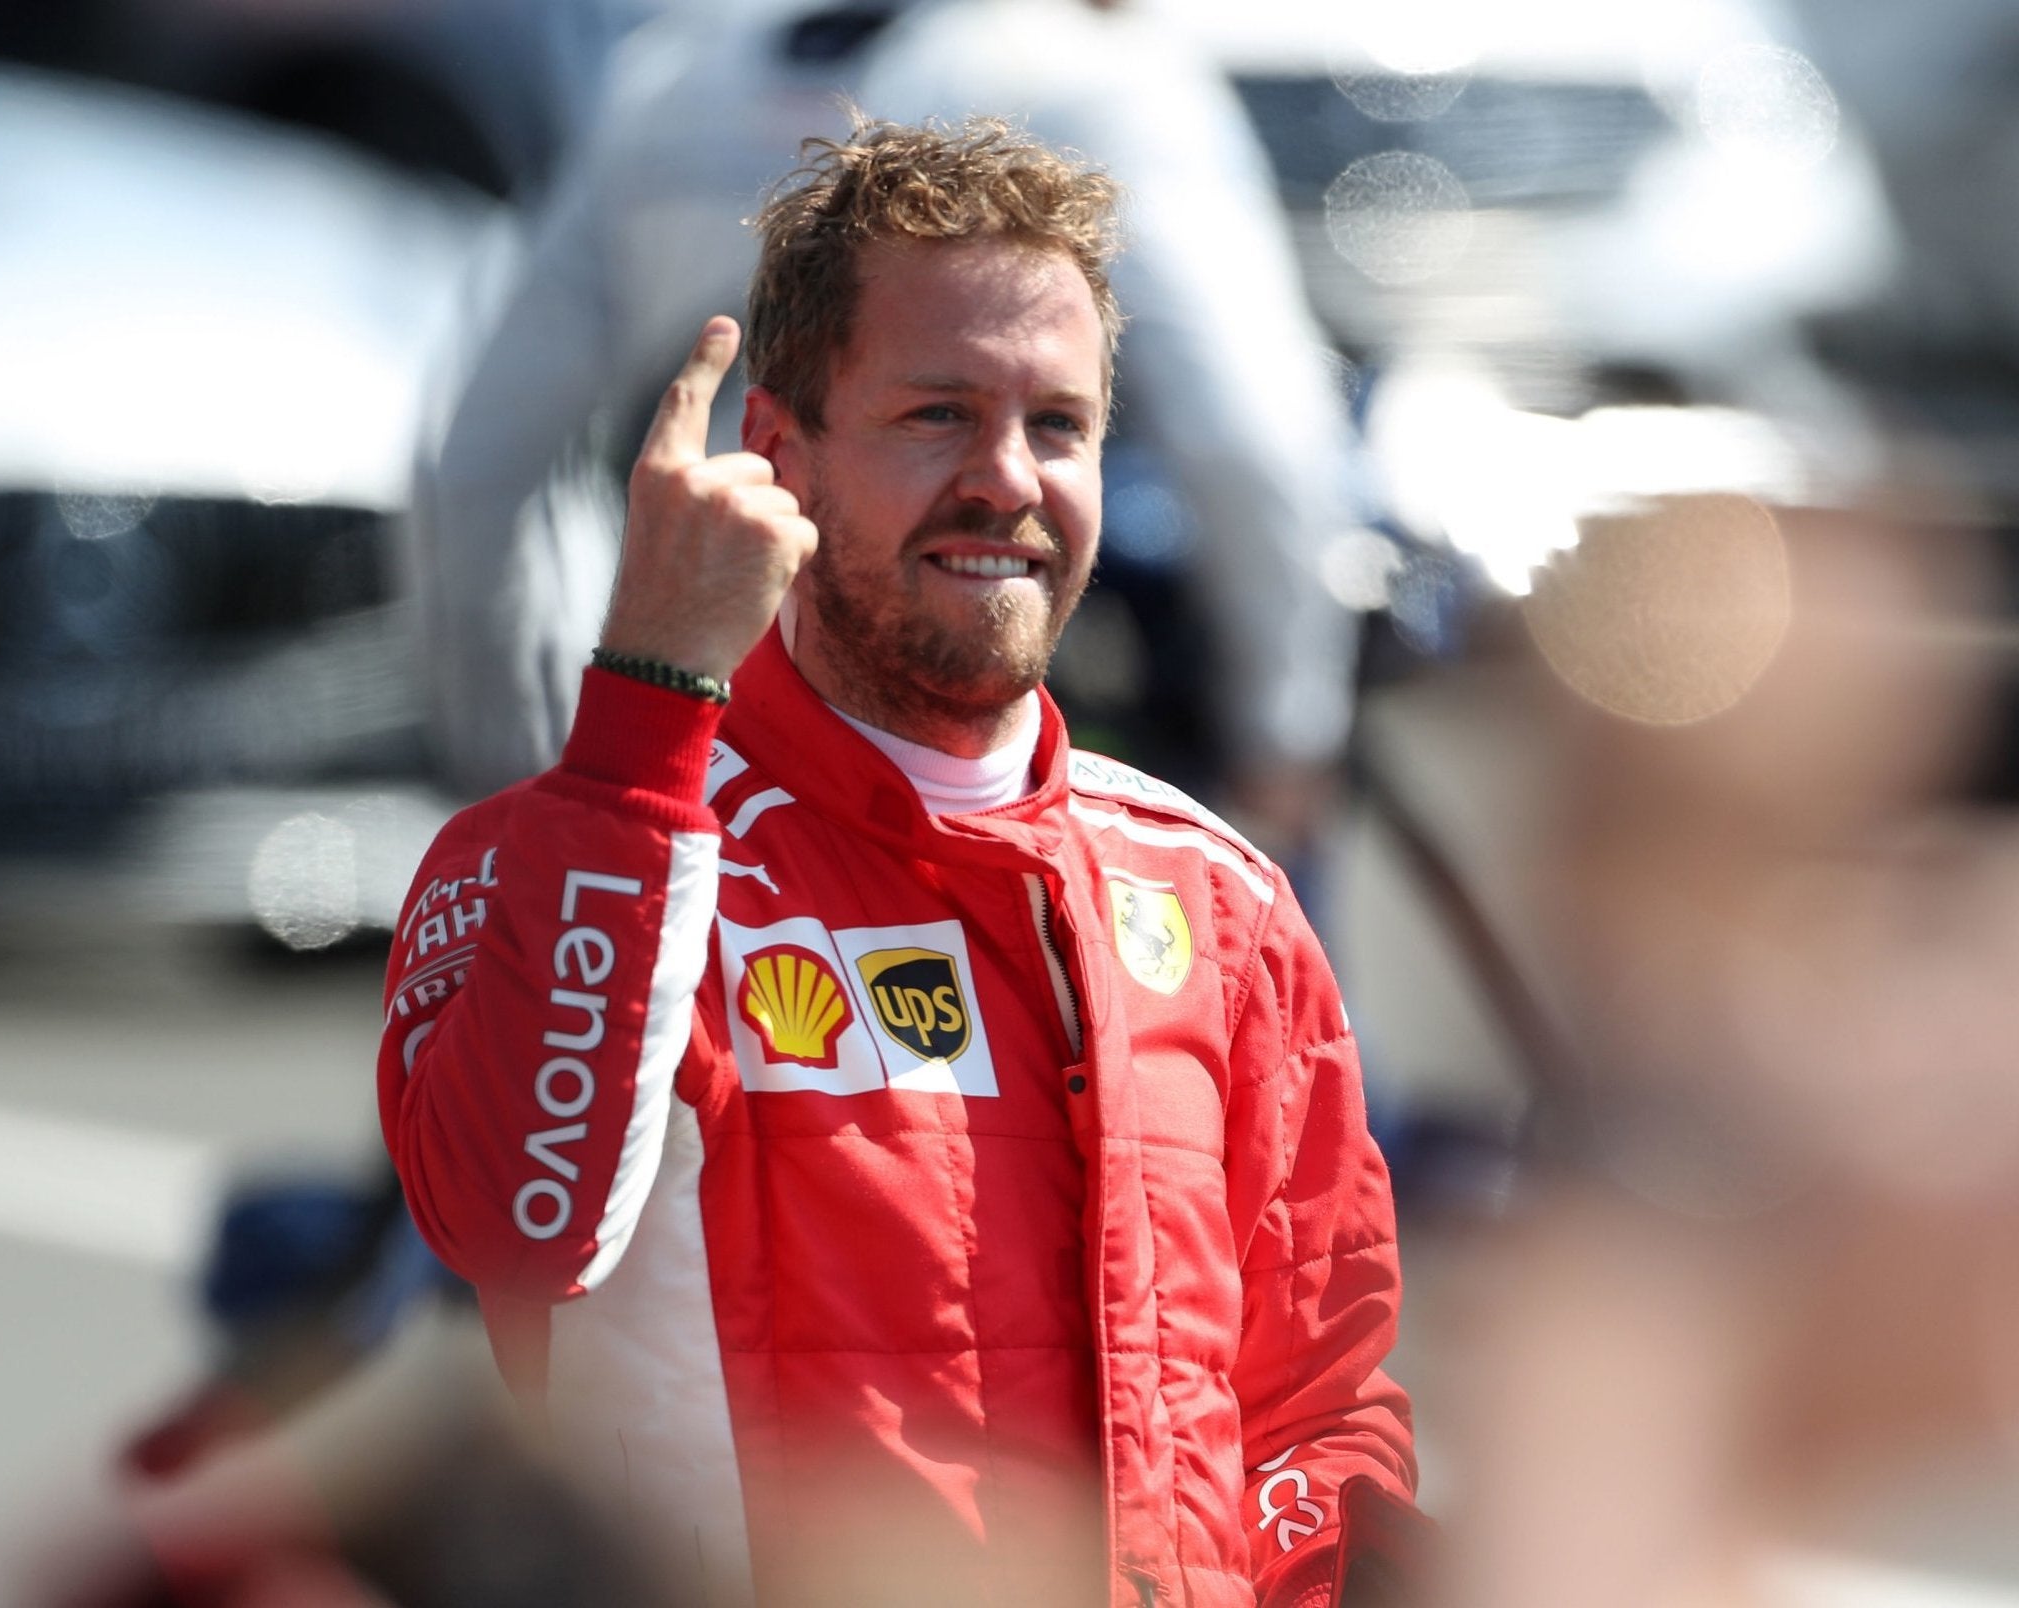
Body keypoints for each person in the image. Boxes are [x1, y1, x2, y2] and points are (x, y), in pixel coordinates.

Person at [379, 118, 1414, 1606]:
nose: (1007, 479)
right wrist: (651, 700)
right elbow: (510, 1229)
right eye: (938, 414)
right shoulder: (581, 855)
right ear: (777, 455)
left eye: (1058, 425)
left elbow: (1321, 1409)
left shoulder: (1222, 904)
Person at [411, 0, 1360, 877]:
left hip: (699, 734)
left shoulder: (674, 80)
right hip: (975, 746)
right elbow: (1252, 439)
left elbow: (476, 463)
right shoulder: (1092, 76)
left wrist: (523, 773)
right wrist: (1285, 735)